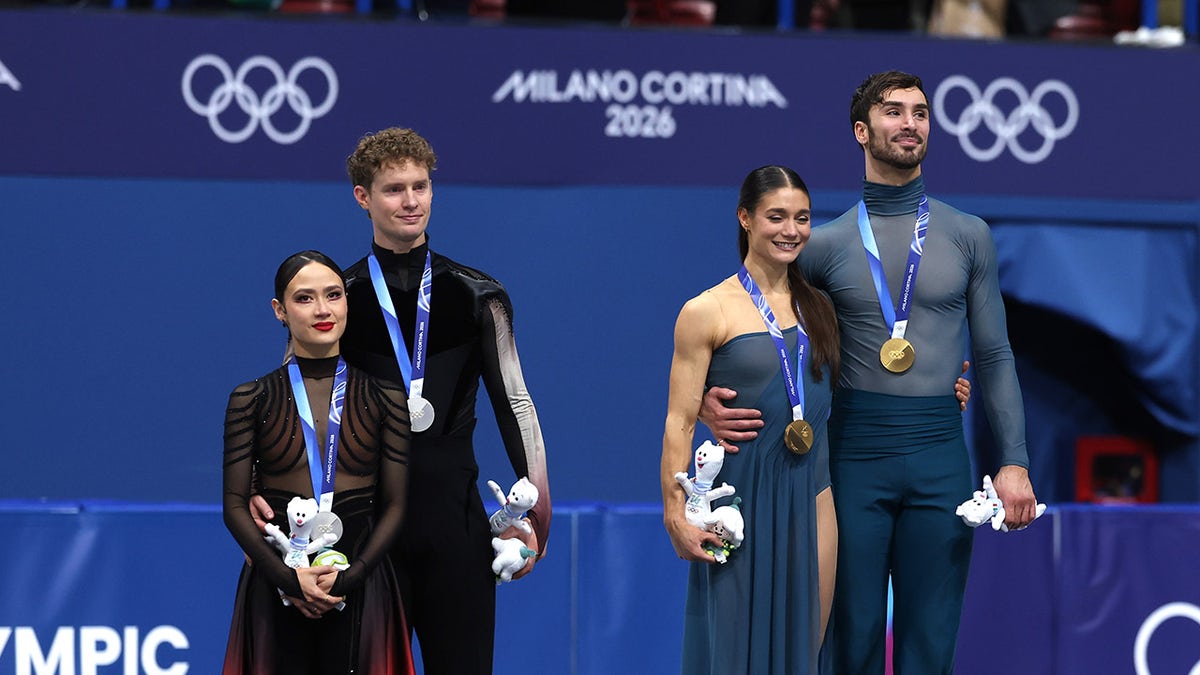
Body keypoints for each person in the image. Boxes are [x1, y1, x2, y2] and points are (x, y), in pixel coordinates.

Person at [701, 70, 1038, 674]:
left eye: (920, 112)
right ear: (862, 130)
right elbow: (759, 325)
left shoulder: (969, 236)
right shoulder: (823, 245)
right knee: (848, 642)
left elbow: (993, 356)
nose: (909, 123)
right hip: (852, 457)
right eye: (893, 112)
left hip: (941, 456)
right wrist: (707, 396)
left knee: (929, 646)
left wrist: (1013, 460)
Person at [250, 127, 551, 674]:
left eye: (421, 186)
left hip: (454, 531)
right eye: (394, 189)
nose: (411, 201)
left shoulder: (479, 295)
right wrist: (264, 499)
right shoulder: (338, 298)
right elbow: (295, 408)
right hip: (361, 536)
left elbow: (516, 404)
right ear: (363, 197)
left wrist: (537, 522)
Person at [662, 165, 841, 674]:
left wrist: (950, 392)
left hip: (814, 502)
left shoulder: (821, 309)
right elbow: (678, 419)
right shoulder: (706, 310)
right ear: (745, 218)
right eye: (776, 217)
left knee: (804, 655)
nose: (791, 230)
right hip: (737, 505)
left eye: (802, 218)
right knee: (732, 657)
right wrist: (676, 514)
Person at [222, 250, 413, 674]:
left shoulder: (387, 397)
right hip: (277, 581)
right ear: (280, 311)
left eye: (333, 295)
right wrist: (289, 582)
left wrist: (351, 578)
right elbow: (234, 506)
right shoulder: (250, 398)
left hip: (362, 580)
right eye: (304, 298)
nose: (323, 310)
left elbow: (397, 504)